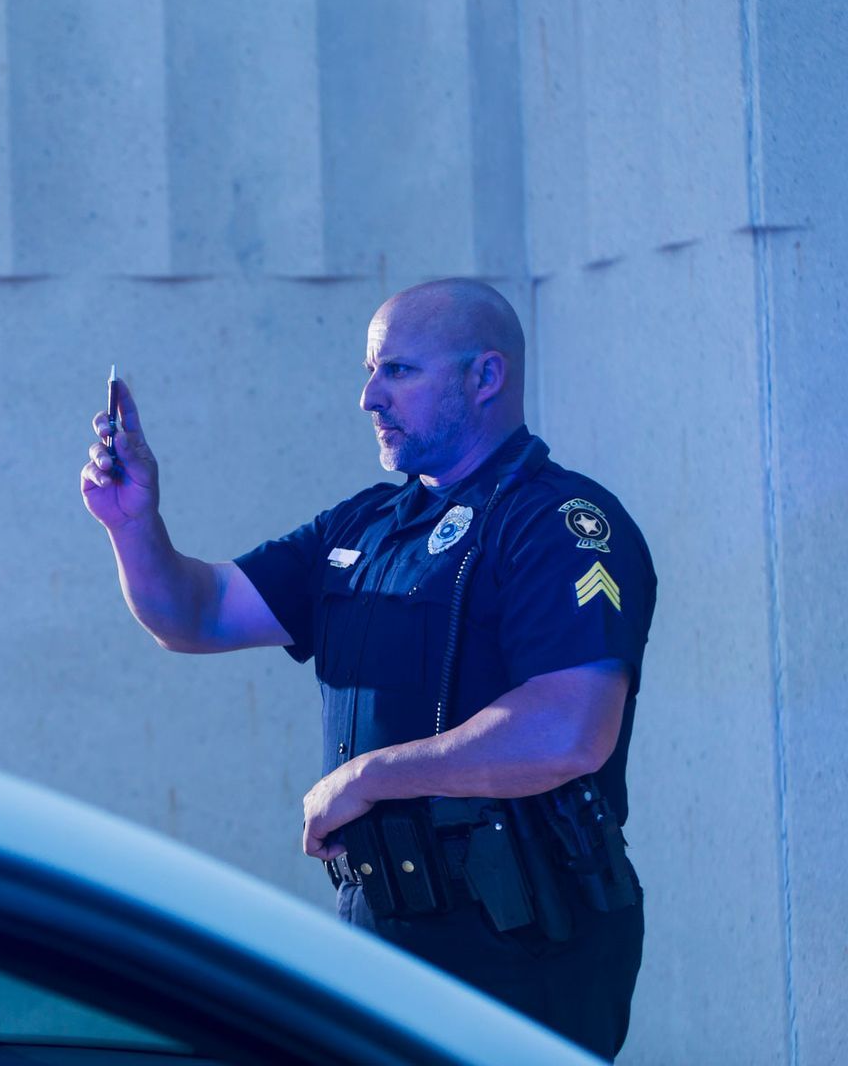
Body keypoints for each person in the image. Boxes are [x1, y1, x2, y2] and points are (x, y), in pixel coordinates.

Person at [80, 279, 653, 1060]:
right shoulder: (363, 525)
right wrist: (134, 525)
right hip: (380, 926)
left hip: (521, 944)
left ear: (486, 377)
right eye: (369, 370)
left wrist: (369, 777)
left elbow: (568, 731)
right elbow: (196, 613)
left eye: (398, 372)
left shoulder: (561, 526)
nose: (368, 397)